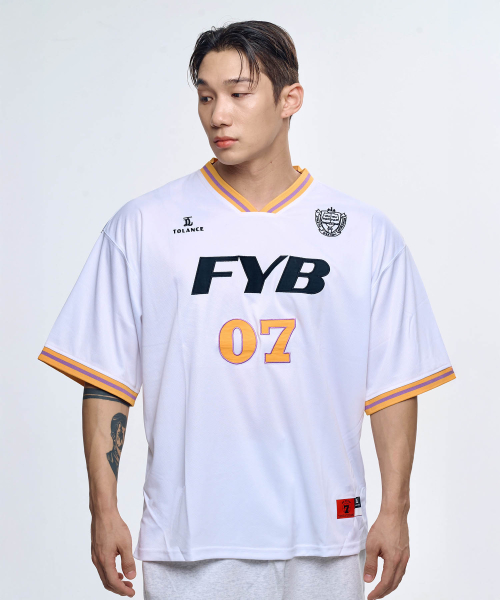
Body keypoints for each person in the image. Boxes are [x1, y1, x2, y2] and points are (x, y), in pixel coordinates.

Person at [37, 20, 456, 600]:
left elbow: (393, 384)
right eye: (206, 97)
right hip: (190, 539)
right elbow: (105, 379)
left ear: (290, 100)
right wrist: (102, 510)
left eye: (238, 93)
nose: (218, 114)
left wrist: (395, 510)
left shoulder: (364, 234)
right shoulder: (145, 225)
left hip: (326, 534)